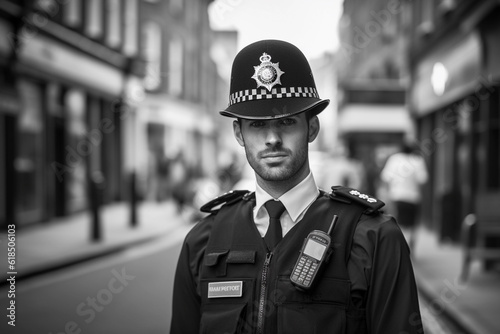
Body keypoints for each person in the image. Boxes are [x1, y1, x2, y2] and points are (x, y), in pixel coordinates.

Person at [170, 40, 424, 334]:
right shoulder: (203, 242)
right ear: (238, 132)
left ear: (312, 128)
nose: (273, 138)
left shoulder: (374, 239)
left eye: (287, 121)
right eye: (257, 125)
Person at [381, 141, 429, 251]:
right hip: (413, 197)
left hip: (396, 196)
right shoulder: (417, 160)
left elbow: (386, 178)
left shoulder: (394, 159)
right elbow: (423, 180)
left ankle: (396, 245)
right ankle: (410, 246)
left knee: (395, 222)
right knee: (412, 224)